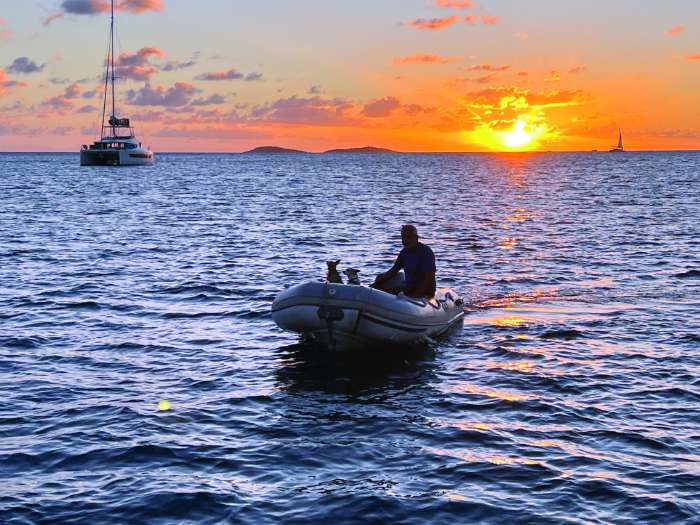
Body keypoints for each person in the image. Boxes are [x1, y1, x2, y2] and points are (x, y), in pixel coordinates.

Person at [371, 224, 436, 298]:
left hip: (424, 293)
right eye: (403, 238)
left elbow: (429, 278)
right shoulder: (404, 252)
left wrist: (414, 296)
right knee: (380, 287)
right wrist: (374, 285)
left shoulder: (426, 252)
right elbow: (393, 271)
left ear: (416, 238)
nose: (405, 240)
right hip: (408, 289)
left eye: (408, 237)